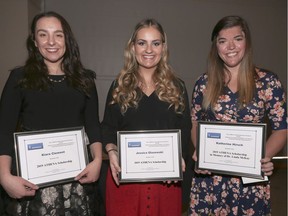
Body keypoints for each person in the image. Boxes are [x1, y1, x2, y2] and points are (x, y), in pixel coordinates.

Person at [0, 11, 102, 215]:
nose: (51, 41)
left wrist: (98, 160)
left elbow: (93, 125)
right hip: (30, 181)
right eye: (43, 34)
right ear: (35, 41)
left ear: (67, 39)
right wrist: (3, 176)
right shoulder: (19, 78)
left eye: (58, 34)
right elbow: (4, 129)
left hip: (76, 182)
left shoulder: (85, 80)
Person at [189, 15, 287, 215]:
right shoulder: (203, 83)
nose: (230, 46)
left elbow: (281, 129)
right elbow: (195, 123)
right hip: (210, 180)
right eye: (223, 41)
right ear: (216, 46)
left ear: (247, 42)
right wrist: (201, 151)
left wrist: (263, 158)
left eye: (238, 38)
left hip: (250, 179)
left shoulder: (268, 82)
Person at [101, 18, 192, 216]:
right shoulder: (119, 86)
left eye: (155, 43)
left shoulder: (178, 87)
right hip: (126, 180)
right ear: (133, 47)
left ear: (163, 48)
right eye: (142, 43)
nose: (149, 49)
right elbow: (107, 127)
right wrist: (112, 150)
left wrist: (179, 158)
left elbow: (185, 129)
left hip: (165, 182)